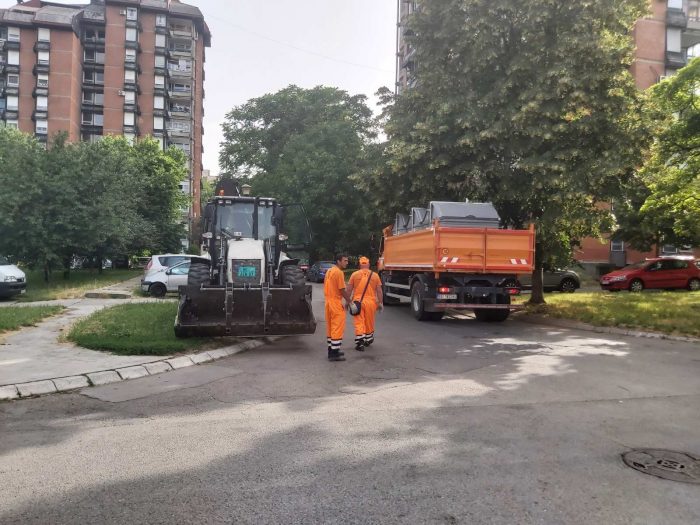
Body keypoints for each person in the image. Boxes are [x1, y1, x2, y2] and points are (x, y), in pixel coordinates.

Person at [346, 256, 383, 352]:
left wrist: (347, 302)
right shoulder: (375, 275)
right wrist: (380, 302)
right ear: (369, 264)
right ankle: (369, 339)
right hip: (371, 303)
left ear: (359, 265)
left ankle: (360, 342)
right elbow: (379, 291)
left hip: (358, 302)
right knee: (369, 321)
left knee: (359, 322)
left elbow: (349, 289)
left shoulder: (354, 275)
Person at [324, 253, 352, 362]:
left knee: (331, 327)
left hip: (328, 302)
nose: (347, 262)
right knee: (337, 327)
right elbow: (341, 289)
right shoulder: (339, 273)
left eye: (347, 260)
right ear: (338, 261)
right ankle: (334, 354)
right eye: (345, 260)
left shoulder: (330, 271)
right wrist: (349, 301)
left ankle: (331, 350)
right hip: (335, 302)